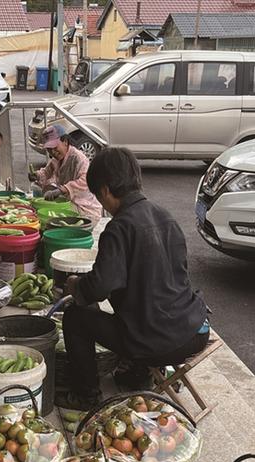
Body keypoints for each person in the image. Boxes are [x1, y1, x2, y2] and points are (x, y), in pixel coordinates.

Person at [57, 147, 209, 410]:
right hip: (195, 329)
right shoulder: (165, 216)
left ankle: (86, 396)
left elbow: (98, 288)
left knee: (75, 317)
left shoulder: (119, 227)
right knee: (140, 306)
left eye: (98, 197)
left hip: (162, 341)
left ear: (105, 191)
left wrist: (75, 284)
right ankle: (138, 375)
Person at [31, 126, 101, 222]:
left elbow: (86, 181)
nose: (53, 152)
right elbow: (46, 172)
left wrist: (63, 189)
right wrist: (37, 175)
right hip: (70, 203)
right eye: (49, 149)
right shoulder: (56, 160)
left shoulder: (78, 158)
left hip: (86, 209)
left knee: (49, 216)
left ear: (65, 142)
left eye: (55, 147)